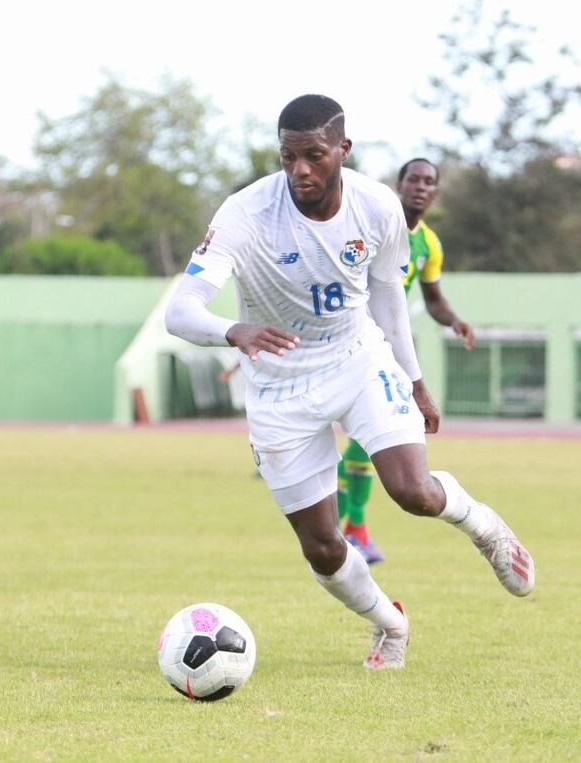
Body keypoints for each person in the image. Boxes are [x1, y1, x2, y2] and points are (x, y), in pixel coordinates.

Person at [164, 95, 534, 670]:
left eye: (314, 155)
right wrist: (232, 329)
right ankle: (389, 622)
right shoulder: (245, 212)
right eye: (288, 156)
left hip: (356, 359)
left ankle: (484, 526)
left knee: (413, 491)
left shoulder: (377, 207)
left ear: (343, 149)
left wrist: (414, 380)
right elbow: (180, 310)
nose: (300, 171)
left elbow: (388, 296)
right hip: (277, 387)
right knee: (322, 546)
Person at [338, 157, 477, 564]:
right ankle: (346, 528)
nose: (420, 186)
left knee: (367, 439)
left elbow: (432, 299)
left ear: (435, 193)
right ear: (398, 186)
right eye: (412, 179)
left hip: (384, 348)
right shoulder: (375, 226)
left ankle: (350, 527)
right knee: (366, 437)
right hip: (348, 341)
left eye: (428, 181)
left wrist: (454, 320)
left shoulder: (429, 244)